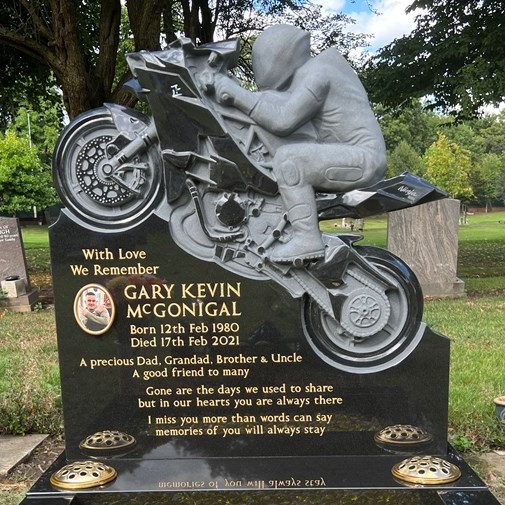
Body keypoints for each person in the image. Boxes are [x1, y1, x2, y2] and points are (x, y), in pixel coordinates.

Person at [211, 24, 386, 263]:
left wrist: (235, 93)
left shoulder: (319, 71)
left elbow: (283, 120)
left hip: (363, 158)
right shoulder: (316, 70)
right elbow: (274, 103)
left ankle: (307, 239)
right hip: (348, 154)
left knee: (289, 160)